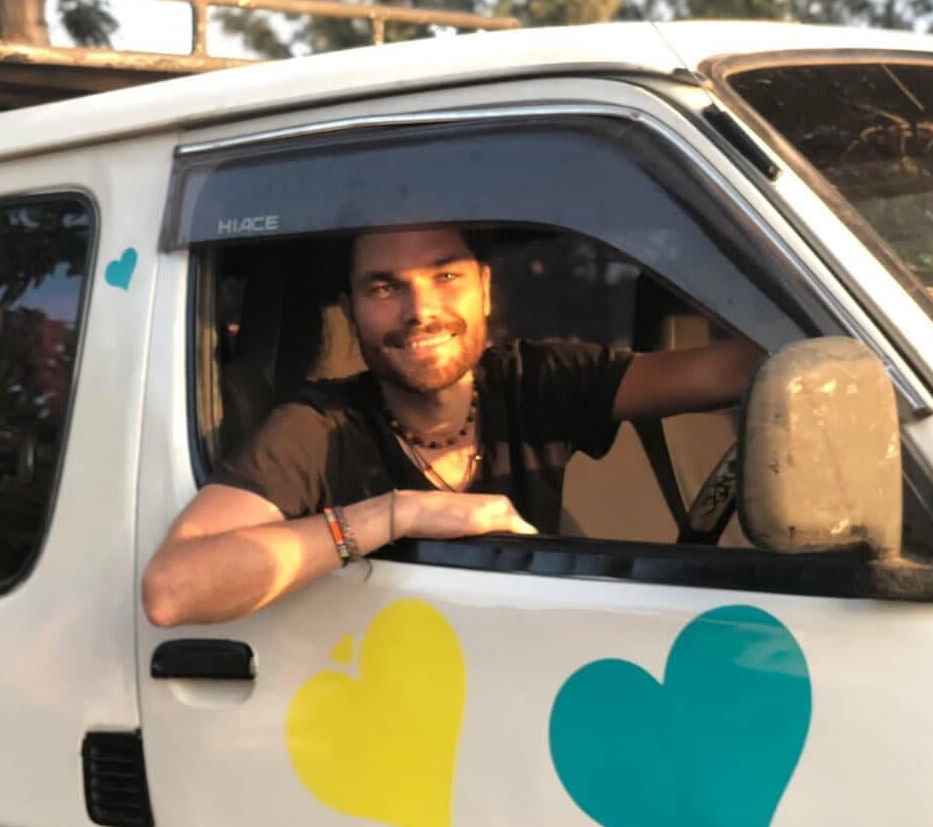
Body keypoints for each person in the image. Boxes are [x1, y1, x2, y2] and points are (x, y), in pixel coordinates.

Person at [142, 225, 763, 627]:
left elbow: (738, 369)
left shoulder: (536, 380)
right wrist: (395, 516)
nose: (421, 311)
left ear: (484, 289)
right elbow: (174, 589)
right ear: (353, 311)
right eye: (385, 288)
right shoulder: (318, 427)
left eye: (445, 276)